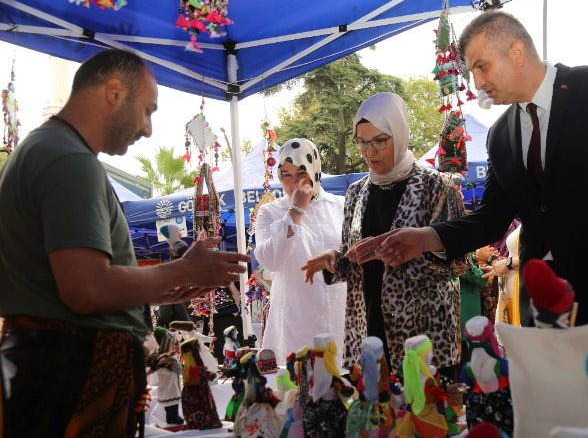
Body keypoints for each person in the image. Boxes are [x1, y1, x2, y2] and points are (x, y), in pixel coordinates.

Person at [351, 12, 588, 336]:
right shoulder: (500, 135)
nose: (477, 84)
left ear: (516, 53)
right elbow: (490, 219)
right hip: (542, 310)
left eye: (481, 66)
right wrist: (425, 237)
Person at [0, 49, 250, 437]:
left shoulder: (48, 150)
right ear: (114, 92)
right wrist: (181, 269)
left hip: (52, 374)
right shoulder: (68, 160)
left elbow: (69, 283)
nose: (148, 128)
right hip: (66, 380)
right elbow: (86, 290)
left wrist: (166, 285)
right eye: (148, 110)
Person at [301, 92, 467, 372]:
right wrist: (336, 260)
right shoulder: (356, 193)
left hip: (424, 334)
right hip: (369, 328)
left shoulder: (437, 188)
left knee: (426, 414)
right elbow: (356, 253)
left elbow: (459, 262)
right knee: (375, 412)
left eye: (379, 140)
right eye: (361, 142)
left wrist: (409, 253)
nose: (369, 151)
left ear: (399, 134)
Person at [254, 138, 347, 364]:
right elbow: (271, 262)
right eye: (286, 174)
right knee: (298, 388)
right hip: (295, 322)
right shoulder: (270, 212)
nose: (294, 182)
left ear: (314, 171)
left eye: (301, 173)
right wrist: (295, 211)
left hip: (339, 317)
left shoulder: (341, 206)